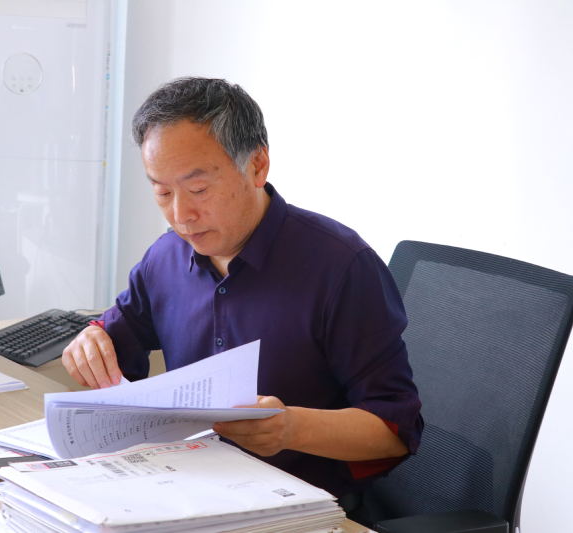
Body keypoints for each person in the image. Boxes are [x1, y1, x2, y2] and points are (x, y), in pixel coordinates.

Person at [62, 77, 422, 498]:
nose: (181, 214)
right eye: (162, 192)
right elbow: (119, 334)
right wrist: (92, 341)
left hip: (297, 508)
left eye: (198, 189)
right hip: (183, 491)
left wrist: (290, 428)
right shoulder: (166, 256)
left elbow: (395, 431)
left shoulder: (341, 266)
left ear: (257, 165)